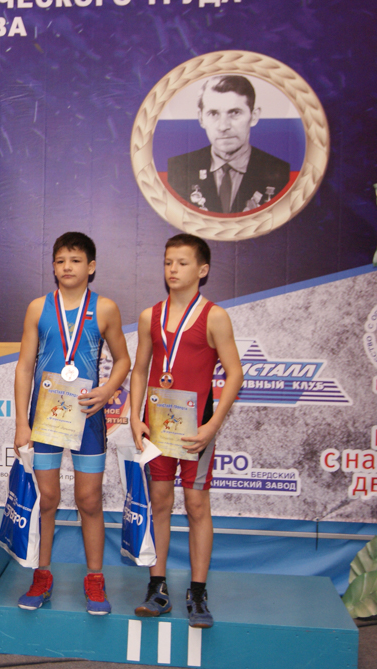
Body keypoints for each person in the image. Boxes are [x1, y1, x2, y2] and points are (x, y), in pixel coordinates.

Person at [11, 232, 131, 615]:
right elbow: (24, 367)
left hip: (87, 416)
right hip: (44, 418)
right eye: (61, 260)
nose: (67, 267)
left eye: (76, 260)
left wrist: (107, 390)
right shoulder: (38, 308)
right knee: (47, 499)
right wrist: (21, 422)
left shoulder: (105, 308)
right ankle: (42, 575)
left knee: (89, 500)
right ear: (53, 266)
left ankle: (95, 579)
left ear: (91, 267)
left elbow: (124, 360)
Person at [129, 234, 243, 629]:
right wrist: (134, 417)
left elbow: (235, 374)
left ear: (202, 269)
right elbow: (140, 370)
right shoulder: (150, 316)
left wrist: (213, 424)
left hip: (197, 429)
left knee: (196, 506)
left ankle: (197, 592)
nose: (173, 269)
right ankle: (157, 587)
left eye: (182, 262)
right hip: (157, 426)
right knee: (160, 502)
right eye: (168, 262)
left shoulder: (214, 316)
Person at [167, 75, 291, 214]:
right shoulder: (176, 169)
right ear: (201, 118)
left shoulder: (283, 173)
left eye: (235, 113)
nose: (223, 126)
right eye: (213, 113)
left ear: (254, 116)